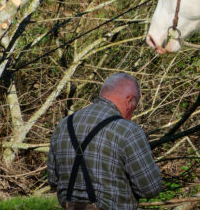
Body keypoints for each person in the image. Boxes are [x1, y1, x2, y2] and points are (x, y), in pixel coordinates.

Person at [47, 73, 162, 210]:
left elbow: (53, 180)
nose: (131, 115)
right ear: (129, 100)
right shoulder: (128, 130)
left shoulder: (64, 125)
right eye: (134, 107)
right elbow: (150, 188)